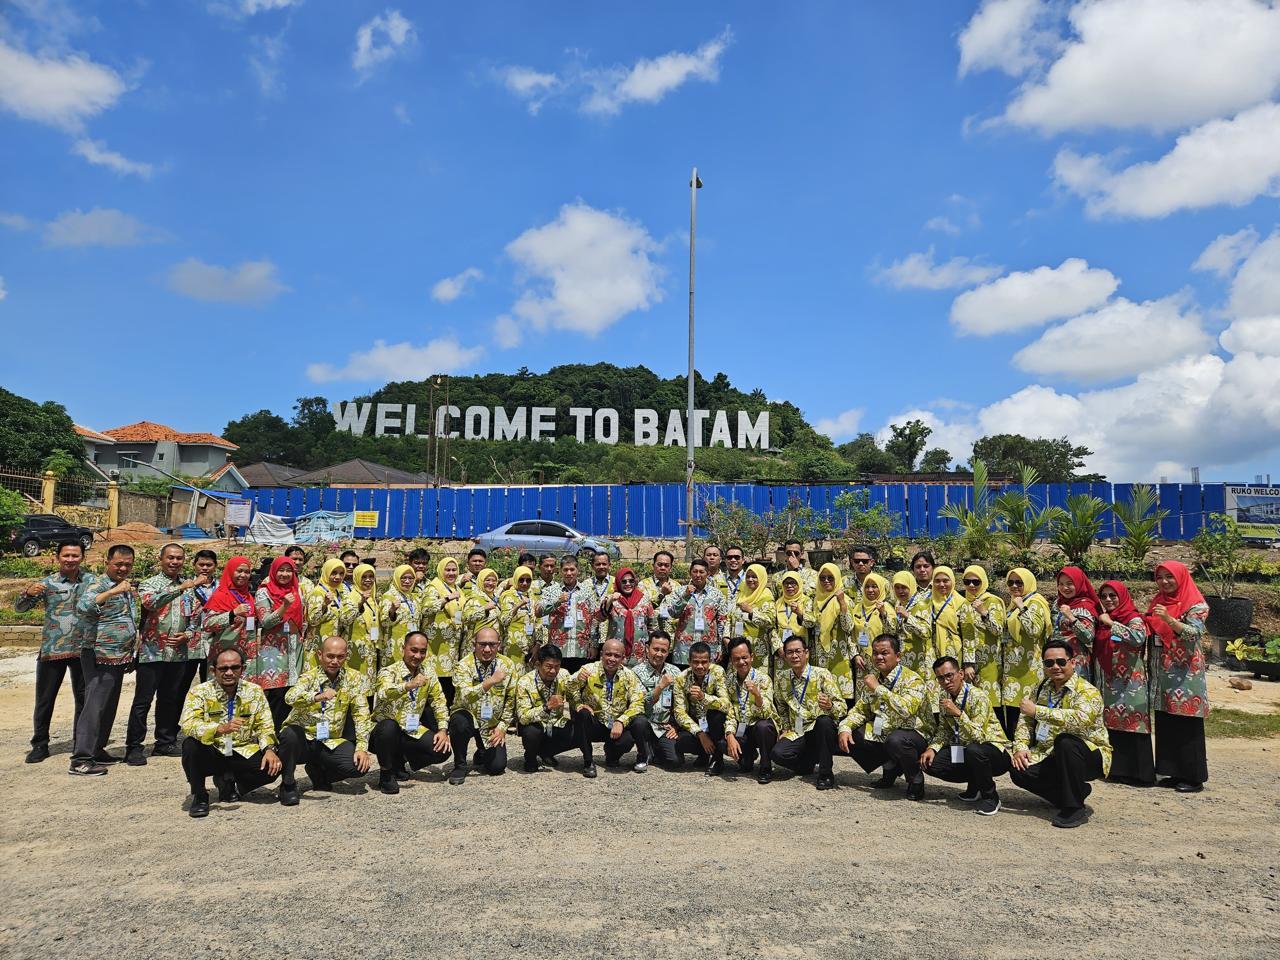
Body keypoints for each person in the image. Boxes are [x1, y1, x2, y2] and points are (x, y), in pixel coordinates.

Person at [1009, 639, 1111, 828]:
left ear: (1073, 662)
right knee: (1018, 768)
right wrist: (1020, 747)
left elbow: (1081, 718)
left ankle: (1074, 808)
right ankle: (1071, 793)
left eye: (1061, 662)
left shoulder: (1087, 691)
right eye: (1049, 663)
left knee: (1065, 742)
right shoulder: (1041, 688)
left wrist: (1038, 711)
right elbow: (1026, 720)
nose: (1055, 667)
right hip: (1050, 752)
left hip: (1087, 755)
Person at [179, 647, 285, 817]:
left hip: (241, 750)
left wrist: (269, 749)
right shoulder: (199, 692)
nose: (229, 672)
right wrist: (218, 729)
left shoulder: (254, 691)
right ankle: (199, 795)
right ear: (213, 671)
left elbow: (265, 725)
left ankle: (230, 783)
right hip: (213, 750)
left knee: (275, 765)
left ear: (242, 669)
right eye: (223, 668)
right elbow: (188, 724)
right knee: (190, 745)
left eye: (235, 668)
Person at [125, 543, 207, 763]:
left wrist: (188, 635)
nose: (174, 562)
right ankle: (134, 746)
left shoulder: (189, 587)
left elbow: (196, 617)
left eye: (179, 558)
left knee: (169, 699)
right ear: (161, 559)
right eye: (170, 558)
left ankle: (164, 741)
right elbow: (151, 603)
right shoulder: (150, 584)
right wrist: (179, 589)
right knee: (143, 701)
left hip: (177, 653)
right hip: (152, 652)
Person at [18, 542, 91, 764]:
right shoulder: (47, 583)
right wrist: (27, 593)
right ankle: (40, 743)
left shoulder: (91, 582)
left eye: (75, 555)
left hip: (82, 650)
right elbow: (20, 608)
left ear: (82, 557)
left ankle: (81, 742)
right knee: (45, 699)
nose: (71, 559)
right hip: (52, 650)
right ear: (58, 557)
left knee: (83, 699)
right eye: (66, 555)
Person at [70, 545, 139, 776]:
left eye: (128, 564)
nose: (123, 568)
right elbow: (83, 606)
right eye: (118, 563)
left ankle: (97, 749)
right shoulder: (98, 584)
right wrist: (112, 591)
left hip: (118, 655)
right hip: (99, 654)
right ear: (107, 561)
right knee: (94, 706)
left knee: (108, 706)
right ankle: (81, 758)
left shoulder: (125, 586)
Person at [1145, 561, 1210, 793]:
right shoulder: (1158, 601)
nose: (1164, 582)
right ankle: (1171, 771)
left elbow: (1194, 634)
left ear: (1181, 577)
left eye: (1169, 577)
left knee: (1186, 722)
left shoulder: (1196, 604)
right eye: (1160, 577)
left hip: (1185, 672)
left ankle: (1193, 776)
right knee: (1166, 719)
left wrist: (1170, 621)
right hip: (1162, 670)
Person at [837, 635, 929, 798]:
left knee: (896, 740)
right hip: (885, 730)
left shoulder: (913, 679)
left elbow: (906, 709)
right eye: (875, 653)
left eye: (884, 653)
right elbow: (860, 711)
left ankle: (915, 778)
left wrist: (878, 688)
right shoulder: (875, 678)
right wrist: (845, 728)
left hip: (913, 734)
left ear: (898, 656)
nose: (879, 657)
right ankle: (890, 767)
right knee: (850, 733)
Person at [919, 656, 1011, 815]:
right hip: (965, 748)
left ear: (960, 674)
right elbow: (944, 730)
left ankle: (990, 797)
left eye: (949, 675)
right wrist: (931, 749)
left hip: (994, 751)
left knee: (974, 750)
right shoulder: (944, 698)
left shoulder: (978, 696)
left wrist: (958, 714)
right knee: (931, 763)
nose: (946, 681)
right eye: (941, 678)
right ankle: (974, 785)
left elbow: (979, 736)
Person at [369, 631, 451, 794]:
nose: (418, 655)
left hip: (410, 729)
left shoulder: (428, 673)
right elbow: (384, 692)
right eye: (413, 650)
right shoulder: (388, 671)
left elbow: (439, 701)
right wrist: (407, 686)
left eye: (422, 651)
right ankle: (386, 773)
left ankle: (399, 761)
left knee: (442, 751)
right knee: (389, 727)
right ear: (403, 649)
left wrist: (443, 730)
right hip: (383, 732)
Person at [770, 634, 847, 789]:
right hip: (797, 730)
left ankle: (825, 774)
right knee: (777, 754)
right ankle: (806, 765)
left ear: (806, 653)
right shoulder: (782, 677)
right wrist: (784, 728)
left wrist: (830, 706)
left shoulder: (822, 674)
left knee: (824, 722)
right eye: (790, 652)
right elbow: (782, 707)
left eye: (798, 651)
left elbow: (843, 707)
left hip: (817, 730)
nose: (794, 655)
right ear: (785, 656)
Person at [1096, 581, 1154, 786]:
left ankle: (1140, 774)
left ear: (1123, 596)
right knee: (1114, 723)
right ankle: (1118, 770)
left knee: (1134, 723)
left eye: (1113, 595)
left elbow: (1138, 638)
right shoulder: (1104, 619)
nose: (1108, 600)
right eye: (1104, 596)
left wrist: (1112, 624)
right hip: (1111, 681)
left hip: (1131, 681)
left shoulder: (1133, 618)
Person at [569, 637, 648, 776]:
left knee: (638, 724)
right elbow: (568, 690)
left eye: (617, 656)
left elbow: (638, 703)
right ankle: (588, 762)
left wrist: (621, 721)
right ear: (601, 655)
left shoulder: (629, 675)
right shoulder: (588, 670)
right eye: (608, 654)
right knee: (582, 714)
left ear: (623, 658)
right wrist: (579, 701)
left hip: (616, 726)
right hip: (595, 722)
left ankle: (613, 755)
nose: (612, 659)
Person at [447, 627, 515, 784]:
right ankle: (460, 765)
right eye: (482, 644)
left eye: (492, 645)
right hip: (468, 716)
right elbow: (465, 696)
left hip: (491, 723)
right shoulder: (462, 665)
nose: (487, 649)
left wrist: (502, 727)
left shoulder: (507, 665)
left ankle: (481, 752)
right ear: (473, 644)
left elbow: (511, 699)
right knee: (459, 722)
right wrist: (490, 681)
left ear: (499, 645)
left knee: (497, 767)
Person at [251, 556, 305, 729]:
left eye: (289, 570)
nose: (285, 574)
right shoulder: (264, 591)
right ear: (274, 571)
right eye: (281, 570)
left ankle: (288, 736)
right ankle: (271, 736)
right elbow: (265, 621)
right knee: (276, 695)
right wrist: (284, 606)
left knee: (292, 694)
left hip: (294, 648)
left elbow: (302, 616)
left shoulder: (296, 589)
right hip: (273, 651)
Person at [1000, 568, 1050, 739]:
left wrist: (1022, 608)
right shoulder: (1014, 602)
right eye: (1011, 582)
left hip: (1029, 668)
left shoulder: (1035, 602)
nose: (1014, 586)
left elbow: (1034, 630)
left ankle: (1028, 752)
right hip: (1013, 667)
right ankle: (1015, 751)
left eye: (1019, 582)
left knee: (1027, 711)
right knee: (1013, 711)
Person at [722, 637, 778, 784]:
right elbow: (730, 711)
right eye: (736, 659)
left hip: (758, 727)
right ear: (732, 661)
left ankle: (766, 766)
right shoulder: (728, 681)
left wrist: (757, 695)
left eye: (744, 657)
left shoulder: (763, 679)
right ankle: (747, 757)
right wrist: (729, 735)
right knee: (722, 742)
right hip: (741, 728)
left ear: (751, 657)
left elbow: (766, 713)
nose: (741, 662)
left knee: (764, 727)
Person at [515, 643, 576, 772]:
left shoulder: (564, 675)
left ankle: (546, 752)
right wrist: (546, 707)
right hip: (535, 724)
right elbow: (523, 717)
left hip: (555, 723)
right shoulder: (524, 682)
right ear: (538, 664)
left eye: (557, 666)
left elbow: (572, 698)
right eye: (548, 667)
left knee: (578, 729)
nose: (553, 671)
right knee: (531, 732)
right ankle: (530, 757)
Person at [960, 565, 1008, 730]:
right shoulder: (964, 603)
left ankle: (999, 740)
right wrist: (967, 663)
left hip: (990, 661)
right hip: (971, 664)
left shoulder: (992, 601)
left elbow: (998, 630)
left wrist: (983, 612)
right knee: (973, 701)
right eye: (967, 582)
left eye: (976, 582)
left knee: (992, 700)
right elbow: (965, 636)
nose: (972, 586)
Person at [672, 641, 730, 774]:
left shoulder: (718, 672)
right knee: (681, 742)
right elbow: (679, 713)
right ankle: (704, 753)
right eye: (695, 662)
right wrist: (700, 734)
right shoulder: (681, 679)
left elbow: (726, 704)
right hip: (697, 724)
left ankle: (717, 759)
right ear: (689, 661)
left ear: (710, 661)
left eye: (704, 662)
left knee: (715, 715)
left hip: (716, 724)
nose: (699, 666)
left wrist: (704, 697)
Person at [661, 559, 729, 666]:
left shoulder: (717, 594)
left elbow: (722, 622)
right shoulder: (680, 591)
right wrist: (685, 596)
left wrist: (720, 646)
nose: (698, 575)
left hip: (709, 647)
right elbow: (673, 613)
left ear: (708, 573)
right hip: (684, 648)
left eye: (701, 572)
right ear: (690, 573)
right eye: (695, 571)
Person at [537, 556, 599, 673]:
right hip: (558, 649)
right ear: (560, 571)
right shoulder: (551, 590)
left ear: (578, 570)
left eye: (572, 569)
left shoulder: (587, 591)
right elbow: (539, 612)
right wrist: (557, 602)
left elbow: (594, 618)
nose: (569, 573)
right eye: (565, 570)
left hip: (581, 649)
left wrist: (594, 645)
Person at [631, 631, 683, 769]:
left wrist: (676, 726)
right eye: (655, 649)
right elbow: (642, 703)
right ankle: (643, 752)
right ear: (647, 648)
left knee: (675, 762)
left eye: (663, 651)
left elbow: (681, 703)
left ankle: (655, 748)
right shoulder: (635, 672)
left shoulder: (676, 672)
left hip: (665, 726)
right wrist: (660, 686)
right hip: (645, 724)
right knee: (639, 722)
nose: (659, 654)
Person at [422, 557, 466, 703]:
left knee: (448, 687)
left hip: (452, 647)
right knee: (436, 687)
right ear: (441, 570)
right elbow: (426, 609)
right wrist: (446, 599)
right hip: (436, 647)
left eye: (454, 570)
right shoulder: (434, 587)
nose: (451, 573)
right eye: (447, 570)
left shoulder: (456, 588)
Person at [810, 563, 855, 700]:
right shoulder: (815, 600)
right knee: (821, 696)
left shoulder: (845, 600)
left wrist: (841, 603)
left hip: (838, 655)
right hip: (817, 654)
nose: (826, 581)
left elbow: (848, 627)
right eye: (822, 578)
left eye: (830, 578)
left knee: (839, 695)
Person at [305, 558, 355, 670]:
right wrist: (324, 605)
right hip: (318, 645)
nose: (337, 577)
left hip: (333, 647)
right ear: (326, 572)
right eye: (334, 573)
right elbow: (312, 620)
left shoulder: (337, 592)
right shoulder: (318, 592)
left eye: (341, 574)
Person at [602, 568, 657, 667]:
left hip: (639, 653)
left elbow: (652, 625)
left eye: (631, 581)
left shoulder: (644, 599)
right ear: (618, 582)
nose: (628, 584)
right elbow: (599, 617)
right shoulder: (612, 599)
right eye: (624, 581)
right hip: (616, 653)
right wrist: (610, 600)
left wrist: (652, 649)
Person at [1055, 566, 1101, 683]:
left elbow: (1088, 637)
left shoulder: (1085, 606)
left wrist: (1071, 618)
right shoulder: (1058, 603)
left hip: (1076, 664)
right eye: (1061, 584)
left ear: (1079, 583)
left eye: (1070, 583)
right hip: (1056, 661)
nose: (1065, 588)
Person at [341, 563, 381, 692]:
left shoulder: (373, 598)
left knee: (369, 689)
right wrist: (360, 604)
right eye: (364, 577)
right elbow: (345, 619)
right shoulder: (350, 597)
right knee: (354, 689)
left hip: (370, 650)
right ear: (357, 578)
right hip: (355, 652)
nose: (368, 580)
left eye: (371, 576)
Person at [850, 572, 895, 683]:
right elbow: (850, 635)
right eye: (867, 586)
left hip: (881, 659)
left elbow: (893, 633)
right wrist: (855, 655)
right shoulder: (857, 608)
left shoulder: (887, 608)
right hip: (862, 661)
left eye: (874, 586)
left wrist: (883, 614)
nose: (870, 590)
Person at [184, 549, 219, 689]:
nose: (205, 568)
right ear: (194, 565)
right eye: (201, 564)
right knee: (182, 685)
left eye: (209, 565)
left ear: (215, 566)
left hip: (213, 641)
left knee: (210, 684)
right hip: (189, 642)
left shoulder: (221, 587)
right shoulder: (186, 586)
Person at [498, 565, 541, 677]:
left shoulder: (532, 596)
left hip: (530, 647)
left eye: (528, 580)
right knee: (513, 677)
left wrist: (538, 644)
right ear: (516, 579)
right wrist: (518, 606)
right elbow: (504, 621)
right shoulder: (507, 595)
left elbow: (539, 621)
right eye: (521, 580)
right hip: (513, 646)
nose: (525, 583)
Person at [730, 564, 775, 671]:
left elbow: (770, 621)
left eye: (754, 577)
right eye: (748, 576)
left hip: (757, 649)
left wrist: (751, 611)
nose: (750, 579)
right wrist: (727, 638)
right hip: (738, 646)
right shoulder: (741, 593)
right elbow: (730, 616)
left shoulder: (766, 596)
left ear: (761, 577)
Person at [892, 570, 934, 679]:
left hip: (921, 660)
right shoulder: (898, 603)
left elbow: (926, 632)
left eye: (904, 587)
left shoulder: (921, 603)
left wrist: (908, 617)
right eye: (897, 587)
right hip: (903, 658)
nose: (900, 591)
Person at [380, 564, 422, 672]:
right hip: (394, 647)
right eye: (403, 578)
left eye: (410, 578)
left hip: (412, 646)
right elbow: (384, 622)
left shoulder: (413, 598)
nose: (407, 581)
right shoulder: (389, 596)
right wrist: (392, 610)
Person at [773, 572, 812, 670]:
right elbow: (772, 627)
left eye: (793, 583)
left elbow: (811, 624)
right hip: (782, 651)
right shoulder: (778, 603)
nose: (789, 586)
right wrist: (778, 647)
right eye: (786, 583)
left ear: (799, 584)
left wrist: (799, 613)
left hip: (799, 651)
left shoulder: (806, 601)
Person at [462, 568, 503, 653]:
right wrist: (484, 610)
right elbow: (465, 618)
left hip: (492, 646)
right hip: (477, 646)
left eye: (494, 580)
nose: (491, 583)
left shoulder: (496, 599)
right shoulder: (474, 597)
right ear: (481, 580)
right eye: (487, 580)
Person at [587, 550, 614, 648]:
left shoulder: (617, 584)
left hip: (611, 634)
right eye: (598, 564)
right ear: (593, 566)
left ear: (609, 565)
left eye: (604, 564)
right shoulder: (585, 585)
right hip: (590, 635)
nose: (601, 567)